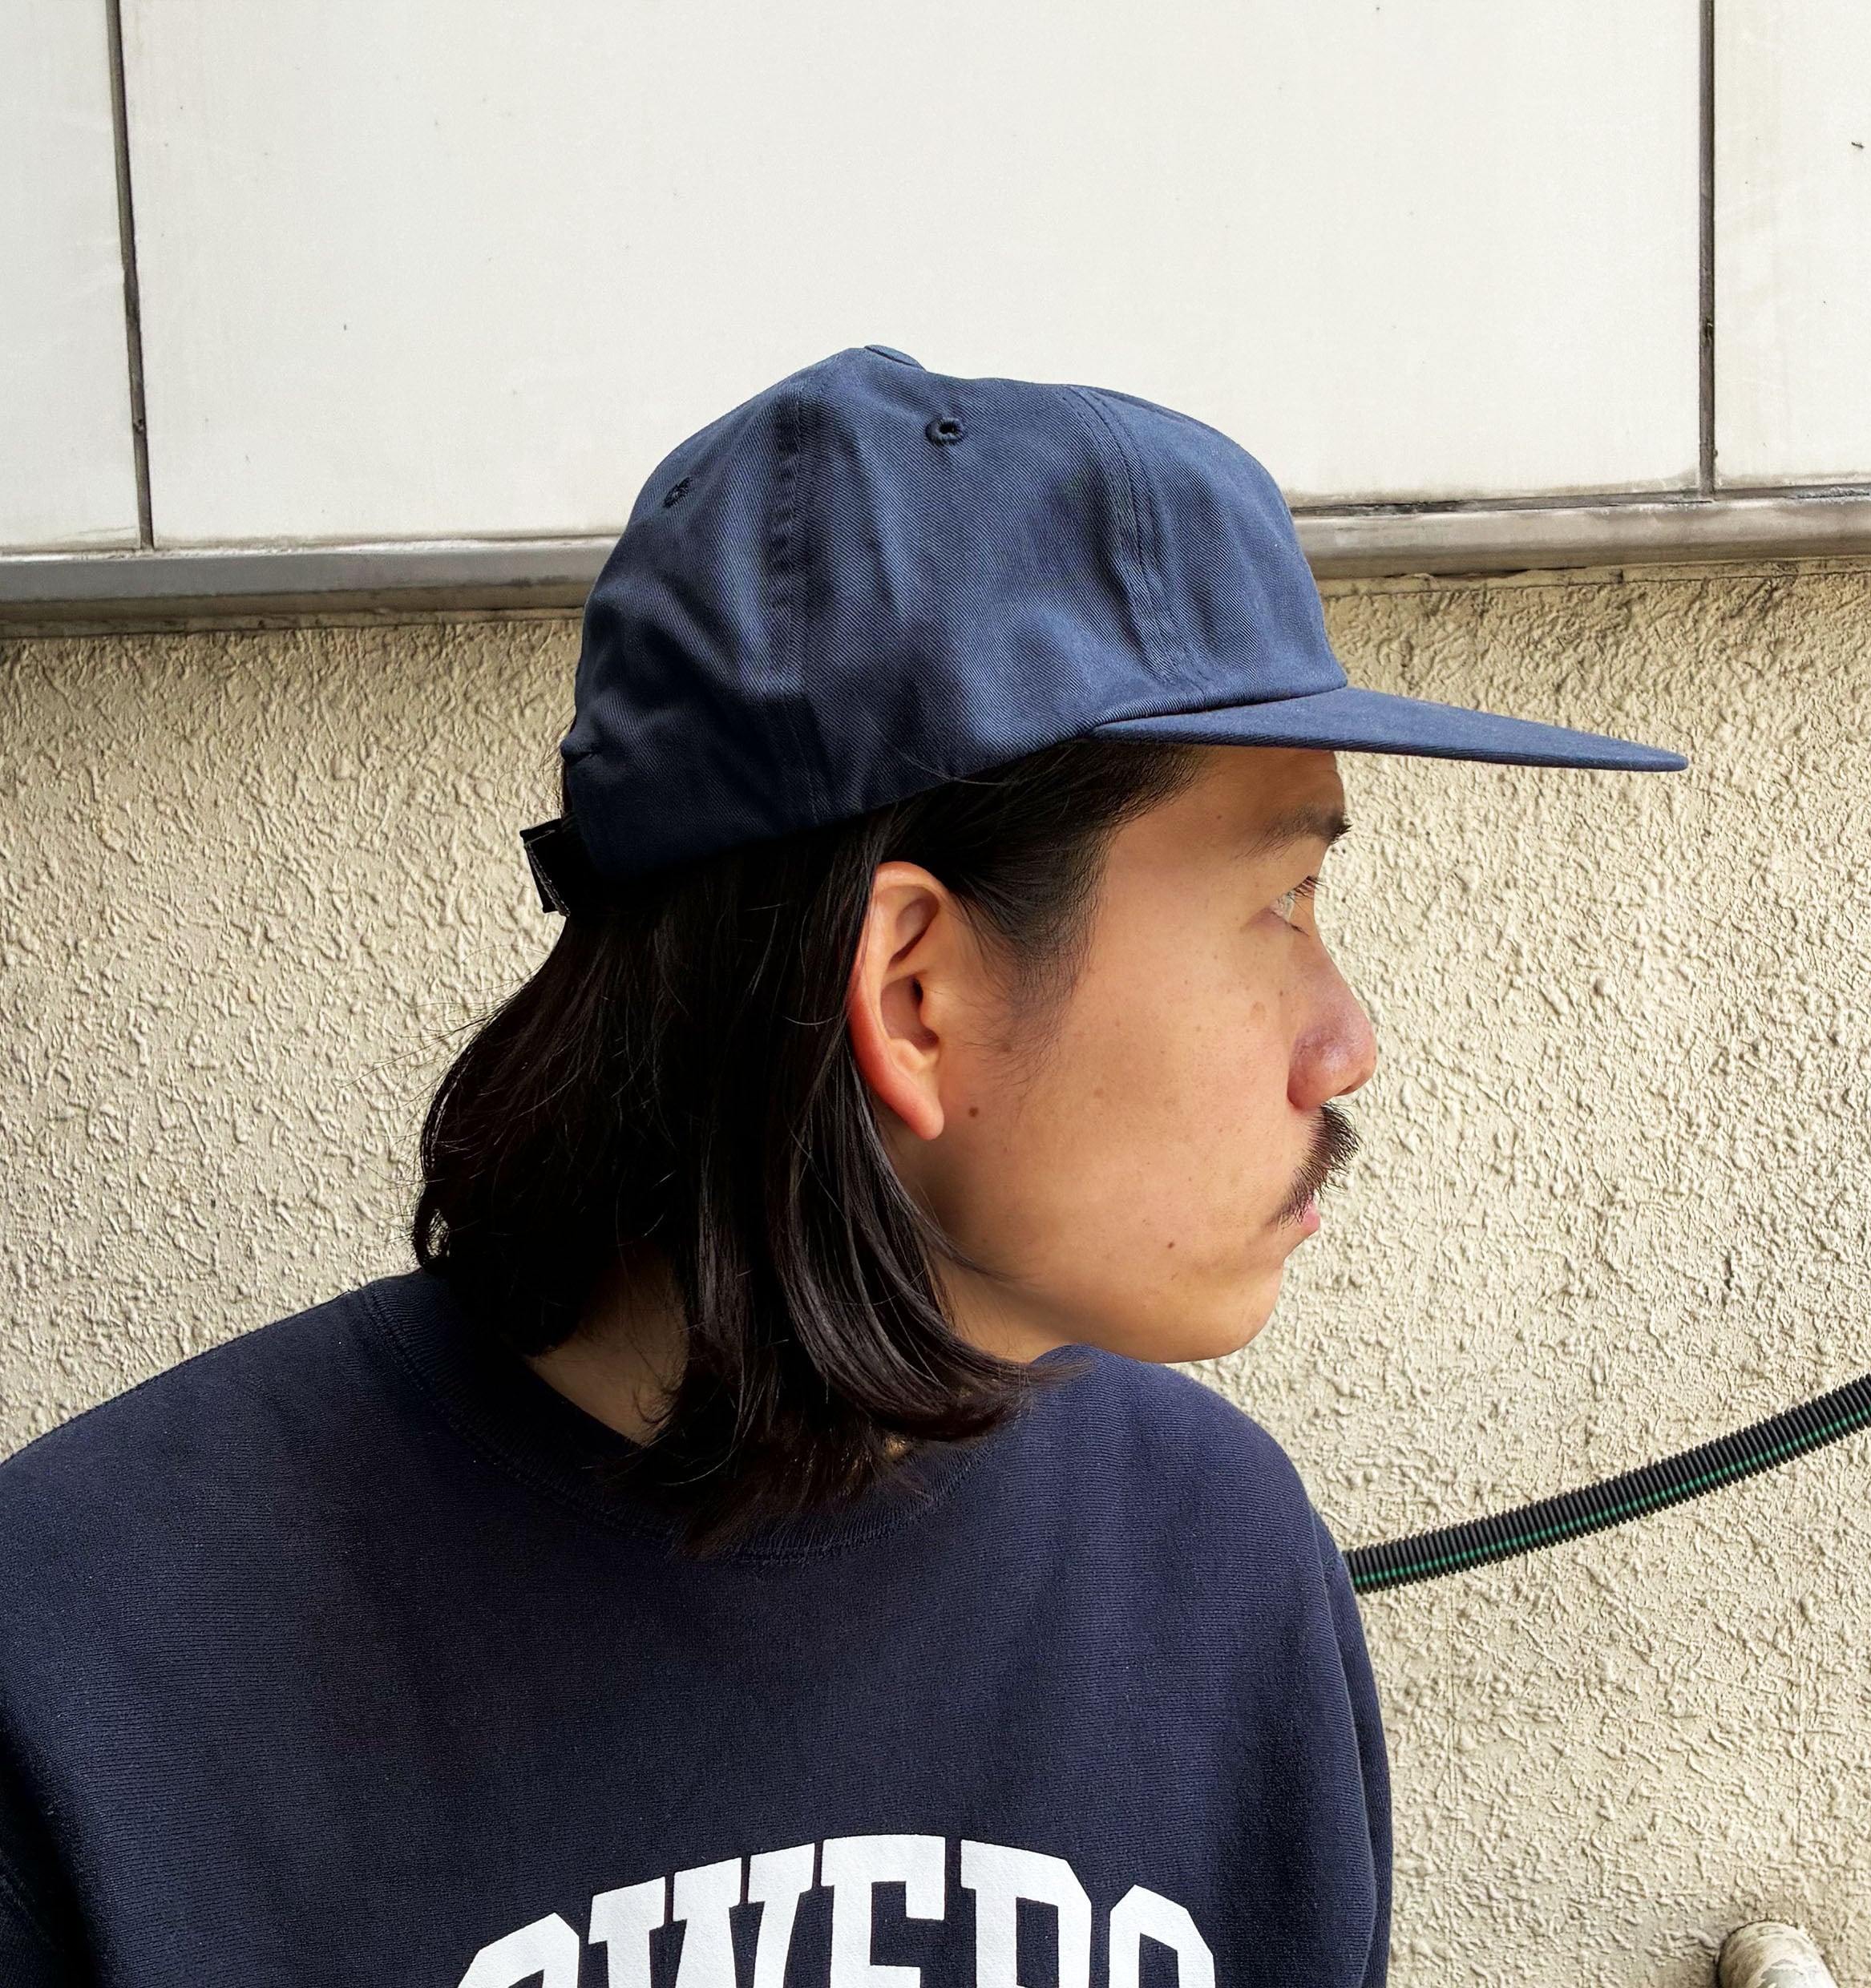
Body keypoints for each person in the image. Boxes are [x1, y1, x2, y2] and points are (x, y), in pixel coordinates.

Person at [0, 345, 1684, 1988]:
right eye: (1281, 903)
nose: (1347, 1042)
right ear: (913, 994)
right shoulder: (89, 1666)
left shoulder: (1215, 1562)